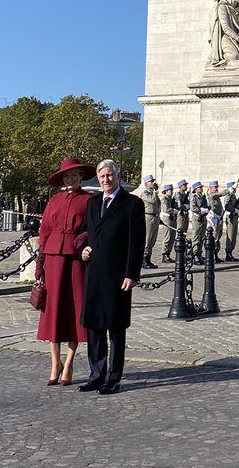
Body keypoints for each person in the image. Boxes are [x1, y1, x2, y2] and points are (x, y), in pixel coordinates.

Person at [79, 159, 145, 396]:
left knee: (115, 328)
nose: (106, 180)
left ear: (117, 176)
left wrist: (131, 274)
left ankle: (114, 377)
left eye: (109, 175)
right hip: (94, 273)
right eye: (102, 176)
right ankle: (96, 375)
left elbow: (137, 243)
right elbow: (85, 234)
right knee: (94, 327)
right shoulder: (92, 202)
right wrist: (83, 249)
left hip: (118, 275)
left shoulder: (132, 204)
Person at [37, 157, 94, 387]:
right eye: (66, 176)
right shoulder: (54, 200)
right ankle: (54, 363)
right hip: (52, 258)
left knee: (73, 310)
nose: (70, 179)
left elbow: (90, 229)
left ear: (81, 177)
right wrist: (40, 263)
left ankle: (69, 362)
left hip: (75, 260)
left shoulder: (89, 201)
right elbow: (45, 230)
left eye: (74, 175)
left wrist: (84, 246)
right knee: (53, 311)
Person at [138, 175, 161, 269]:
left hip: (155, 216)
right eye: (151, 181)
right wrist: (155, 192)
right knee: (148, 239)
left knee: (153, 239)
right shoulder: (145, 193)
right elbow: (152, 201)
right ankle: (144, 260)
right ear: (146, 184)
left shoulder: (153, 193)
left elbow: (158, 203)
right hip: (148, 216)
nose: (153, 183)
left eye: (153, 181)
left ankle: (148, 259)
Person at [189, 181, 208, 262]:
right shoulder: (194, 197)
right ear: (196, 189)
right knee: (196, 237)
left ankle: (199, 253)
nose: (201, 188)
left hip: (203, 218)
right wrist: (201, 210)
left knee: (202, 237)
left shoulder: (203, 196)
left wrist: (206, 209)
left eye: (201, 187)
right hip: (197, 218)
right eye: (200, 187)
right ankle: (195, 254)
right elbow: (193, 208)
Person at [223, 181, 239, 260]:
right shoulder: (228, 196)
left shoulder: (233, 196)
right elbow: (226, 206)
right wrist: (234, 210)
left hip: (234, 217)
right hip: (230, 217)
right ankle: (228, 253)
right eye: (234, 188)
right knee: (230, 235)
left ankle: (231, 252)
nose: (235, 189)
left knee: (234, 235)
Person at [159, 184, 176, 263]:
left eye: (172, 190)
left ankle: (168, 253)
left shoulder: (171, 199)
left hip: (173, 218)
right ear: (166, 191)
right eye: (170, 190)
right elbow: (166, 209)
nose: (171, 192)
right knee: (167, 237)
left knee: (172, 237)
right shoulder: (164, 199)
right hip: (167, 218)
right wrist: (174, 210)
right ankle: (164, 254)